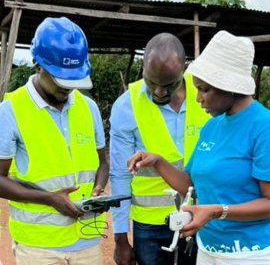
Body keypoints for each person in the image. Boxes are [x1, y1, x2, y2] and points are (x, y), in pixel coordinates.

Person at [128, 30, 270, 265]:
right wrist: (158, 162)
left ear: (230, 87)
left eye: (204, 89)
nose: (197, 99)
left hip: (250, 254)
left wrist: (217, 211)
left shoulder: (263, 127)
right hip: (208, 251)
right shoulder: (212, 127)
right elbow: (192, 184)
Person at [0, 17, 109, 265]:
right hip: (39, 248)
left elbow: (102, 163)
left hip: (87, 243)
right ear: (37, 64)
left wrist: (98, 191)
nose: (68, 87)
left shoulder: (88, 108)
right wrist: (50, 199)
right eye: (60, 79)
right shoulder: (10, 112)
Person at [109, 33, 209, 265]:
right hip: (149, 226)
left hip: (201, 217)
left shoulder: (205, 94)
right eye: (152, 82)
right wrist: (120, 238)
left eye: (169, 85)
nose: (160, 92)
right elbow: (120, 174)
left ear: (184, 69)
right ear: (143, 66)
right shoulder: (126, 106)